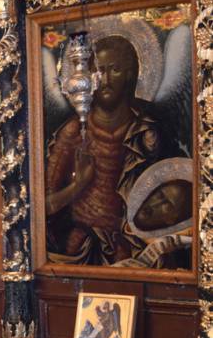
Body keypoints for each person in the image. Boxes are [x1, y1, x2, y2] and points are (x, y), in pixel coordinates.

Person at [45, 35, 187, 266]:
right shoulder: (74, 132)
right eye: (99, 71)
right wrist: (78, 185)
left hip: (137, 243)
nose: (106, 80)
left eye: (115, 70)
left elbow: (176, 195)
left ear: (130, 75)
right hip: (82, 246)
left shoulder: (147, 131)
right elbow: (44, 206)